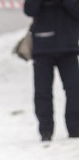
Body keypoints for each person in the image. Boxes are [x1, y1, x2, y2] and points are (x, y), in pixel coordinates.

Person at [23, 0, 79, 141]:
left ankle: (75, 128)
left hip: (68, 47)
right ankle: (45, 130)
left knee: (75, 90)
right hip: (42, 47)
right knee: (43, 92)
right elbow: (29, 10)